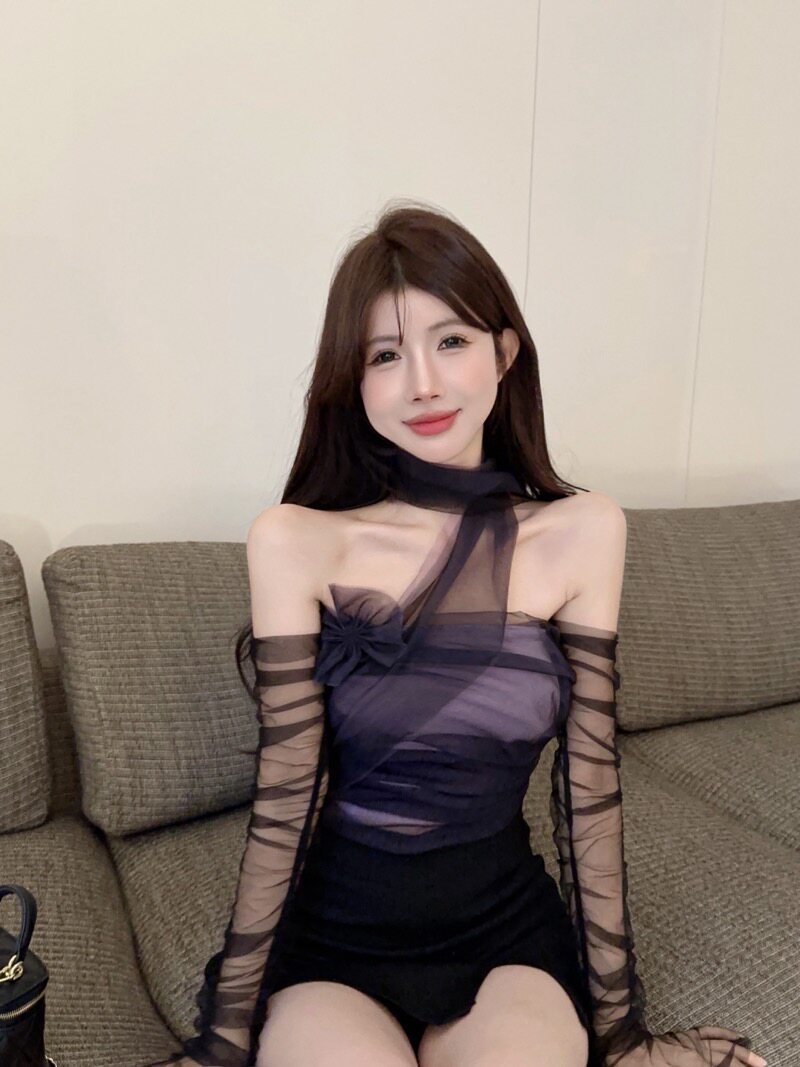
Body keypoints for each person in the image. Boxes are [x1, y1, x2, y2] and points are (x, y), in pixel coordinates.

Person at [149, 203, 763, 1067]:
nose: (424, 385)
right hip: (333, 939)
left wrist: (621, 1033)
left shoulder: (585, 531)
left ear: (504, 353)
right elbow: (286, 799)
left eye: (451, 341)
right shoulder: (293, 541)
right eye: (386, 355)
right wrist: (223, 1036)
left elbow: (589, 789)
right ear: (352, 381)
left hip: (500, 930)